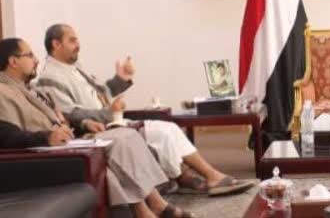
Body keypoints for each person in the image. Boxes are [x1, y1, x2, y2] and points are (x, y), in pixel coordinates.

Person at [36, 24, 253, 196]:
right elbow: (70, 114)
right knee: (165, 132)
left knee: (168, 129)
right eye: (72, 40)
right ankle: (205, 177)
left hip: (110, 121)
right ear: (56, 44)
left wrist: (121, 79)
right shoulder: (50, 77)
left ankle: (198, 178)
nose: (78, 44)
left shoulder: (74, 68)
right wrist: (108, 113)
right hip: (97, 130)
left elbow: (101, 94)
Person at [0, 37, 196, 218]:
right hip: (43, 152)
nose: (36, 60)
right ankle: (151, 209)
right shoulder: (5, 90)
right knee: (118, 143)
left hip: (67, 140)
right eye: (30, 55)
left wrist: (84, 123)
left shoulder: (31, 86)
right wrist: (46, 136)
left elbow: (90, 101)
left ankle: (154, 206)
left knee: (125, 137)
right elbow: (5, 134)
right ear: (13, 61)